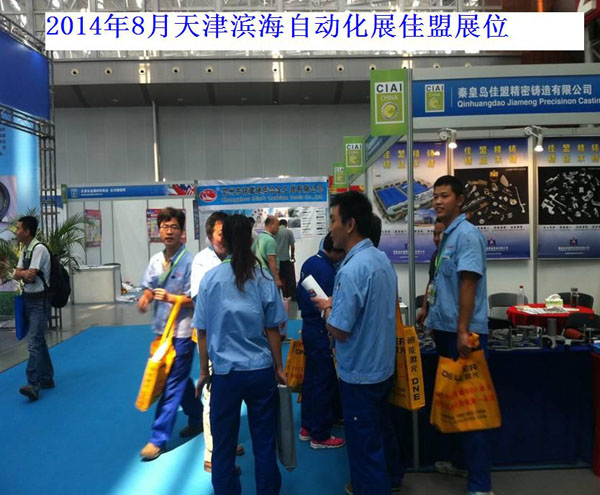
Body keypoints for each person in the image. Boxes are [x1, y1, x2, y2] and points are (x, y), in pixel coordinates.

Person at [312, 191, 404, 495]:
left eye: (333, 221)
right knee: (381, 432)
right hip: (381, 367)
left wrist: (326, 309)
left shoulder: (352, 269)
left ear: (350, 224)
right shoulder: (380, 259)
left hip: (360, 373)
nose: (331, 229)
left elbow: (340, 329)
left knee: (364, 451)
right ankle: (392, 479)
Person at [194, 214, 287, 495]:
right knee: (264, 443)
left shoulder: (210, 280)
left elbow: (202, 332)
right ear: (250, 241)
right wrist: (279, 368)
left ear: (224, 242)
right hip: (260, 372)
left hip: (225, 375)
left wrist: (203, 372)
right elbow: (273, 329)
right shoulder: (263, 278)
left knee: (223, 447)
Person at [425, 175, 492, 495]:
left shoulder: (467, 235)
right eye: (435, 196)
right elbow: (442, 284)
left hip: (463, 335)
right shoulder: (447, 236)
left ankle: (480, 485)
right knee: (452, 402)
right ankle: (459, 462)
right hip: (445, 330)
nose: (438, 201)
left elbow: (468, 283)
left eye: (445, 196)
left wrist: (464, 330)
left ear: (461, 200)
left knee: (472, 410)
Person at [137, 207, 203, 461]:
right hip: (161, 332)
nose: (169, 232)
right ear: (159, 231)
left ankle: (158, 439)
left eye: (174, 227)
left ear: (182, 232)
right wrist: (145, 298)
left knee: (171, 384)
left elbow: (195, 299)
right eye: (164, 227)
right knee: (178, 380)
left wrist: (171, 298)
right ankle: (197, 416)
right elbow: (148, 287)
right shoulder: (155, 261)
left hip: (183, 333)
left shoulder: (190, 262)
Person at [190, 211, 245, 473]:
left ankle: (226, 444)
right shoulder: (203, 261)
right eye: (221, 233)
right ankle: (212, 453)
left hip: (237, 340)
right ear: (210, 235)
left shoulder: (237, 260)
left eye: (227, 233)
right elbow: (199, 303)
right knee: (213, 395)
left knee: (231, 397)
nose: (224, 238)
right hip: (212, 340)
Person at [296, 233, 346, 450]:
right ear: (335, 251)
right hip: (320, 329)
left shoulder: (309, 263)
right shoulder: (328, 271)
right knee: (323, 381)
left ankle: (307, 426)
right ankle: (321, 434)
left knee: (311, 379)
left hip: (308, 326)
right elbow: (332, 305)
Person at [14, 216, 53, 401]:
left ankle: (33, 384)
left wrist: (21, 273)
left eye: (18, 229)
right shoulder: (26, 250)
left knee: (34, 343)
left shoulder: (38, 249)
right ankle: (47, 378)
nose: (16, 232)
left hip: (40, 300)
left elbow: (30, 276)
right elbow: (17, 274)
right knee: (39, 341)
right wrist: (22, 273)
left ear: (27, 231)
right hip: (28, 299)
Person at [416, 218, 445, 328]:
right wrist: (424, 308)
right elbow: (431, 282)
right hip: (435, 313)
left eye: (440, 235)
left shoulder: (453, 256)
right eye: (434, 234)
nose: (436, 239)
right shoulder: (435, 255)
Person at [252, 215, 282, 289]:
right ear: (271, 225)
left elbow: (252, 252)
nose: (278, 228)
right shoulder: (270, 240)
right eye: (277, 225)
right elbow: (271, 260)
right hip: (268, 275)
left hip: (258, 272)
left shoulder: (258, 237)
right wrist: (277, 279)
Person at [275, 219, 296, 300]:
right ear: (286, 224)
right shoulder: (289, 232)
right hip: (286, 259)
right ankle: (291, 295)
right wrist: (292, 256)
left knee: (279, 278)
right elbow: (292, 246)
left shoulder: (275, 232)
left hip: (277, 260)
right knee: (289, 278)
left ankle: (281, 295)